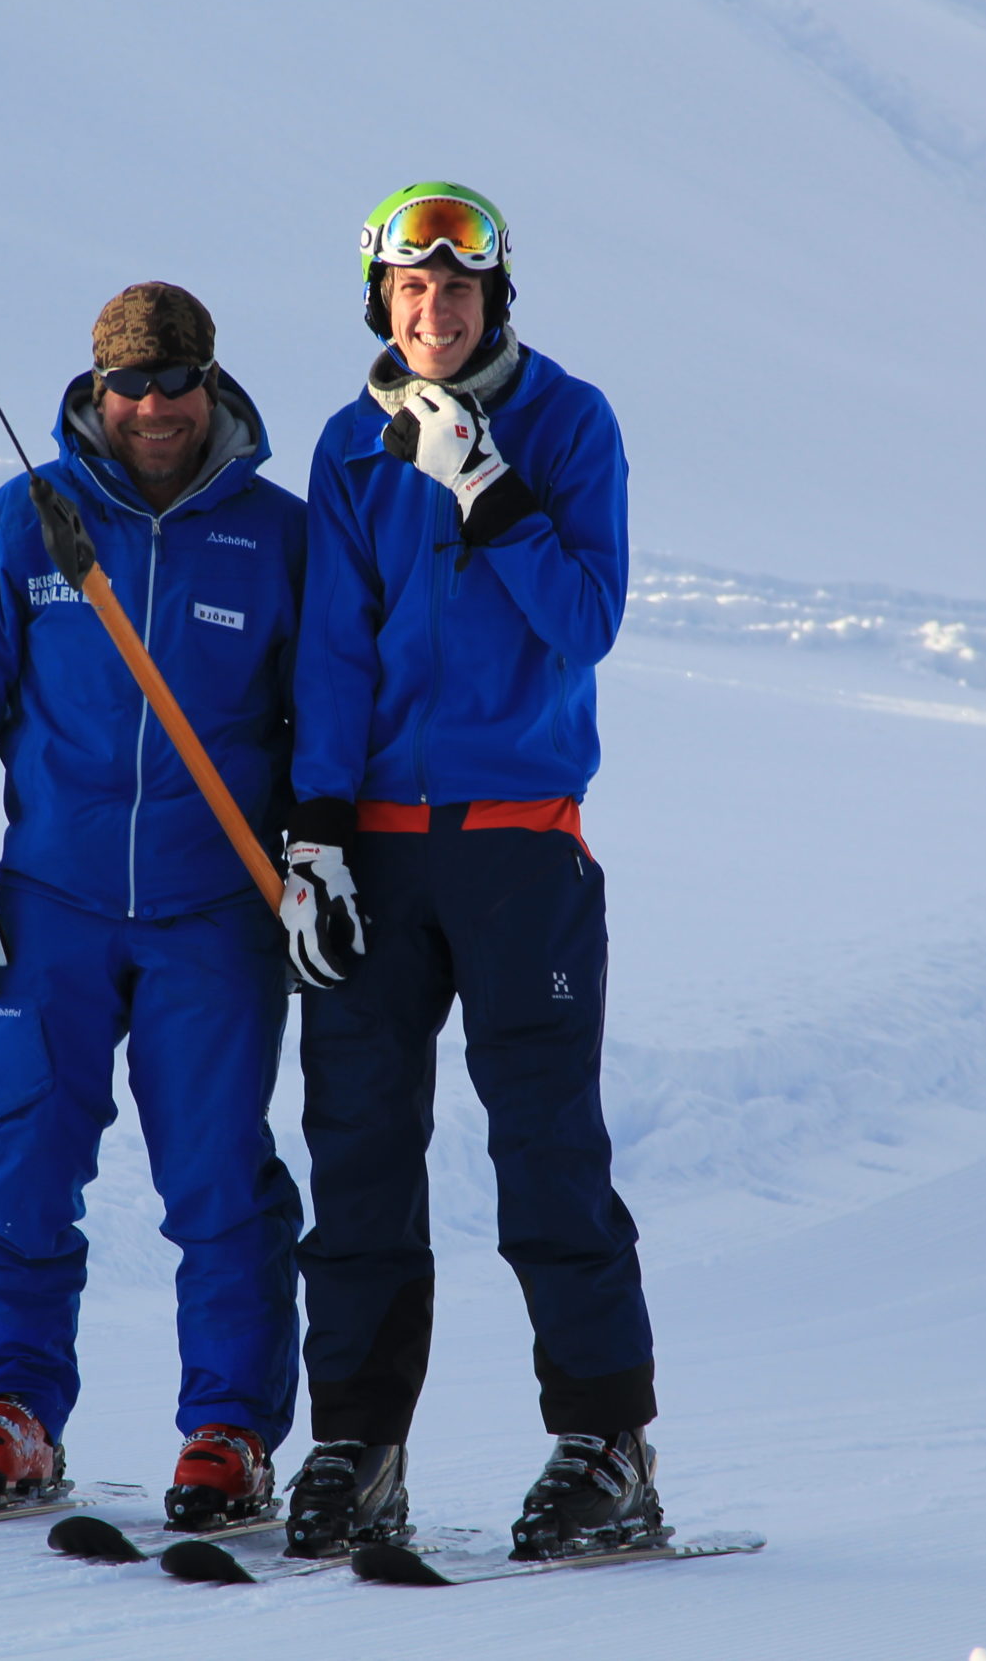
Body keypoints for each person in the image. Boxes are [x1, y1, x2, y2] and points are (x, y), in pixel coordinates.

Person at [273, 183, 658, 1561]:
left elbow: (587, 619)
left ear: (497, 299)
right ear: (380, 299)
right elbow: (332, 646)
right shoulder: (348, 444)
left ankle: (605, 1445)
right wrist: (314, 829)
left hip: (520, 845)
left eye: (456, 290)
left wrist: (487, 487)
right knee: (359, 1149)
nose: (431, 312)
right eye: (408, 290)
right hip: (377, 847)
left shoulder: (571, 423)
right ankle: (356, 1445)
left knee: (546, 1150)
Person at [0, 282, 305, 1529]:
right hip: (50, 907)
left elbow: (330, 731)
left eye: (172, 384)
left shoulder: (279, 537)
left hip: (214, 918)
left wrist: (323, 864)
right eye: (125, 387)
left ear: (210, 386)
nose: (149, 409)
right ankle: (10, 1413)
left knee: (218, 1184)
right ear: (93, 390)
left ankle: (229, 1431)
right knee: (19, 1167)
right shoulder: (27, 522)